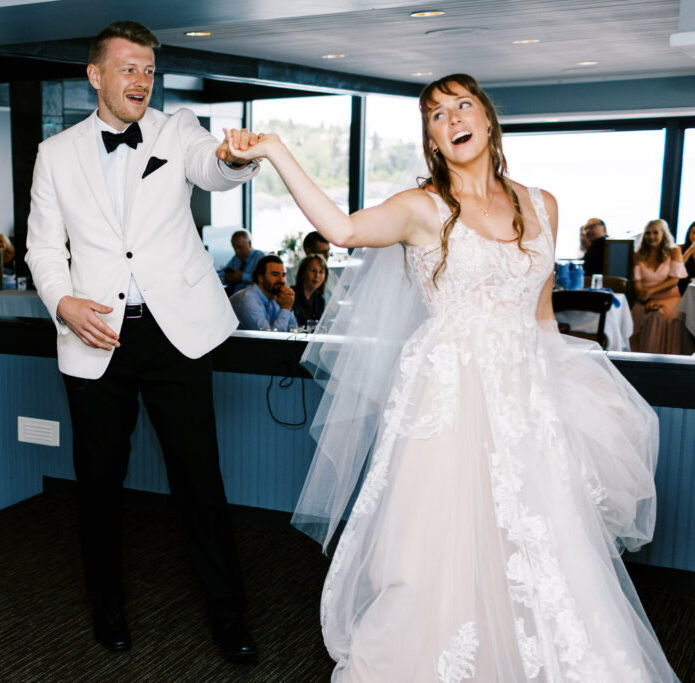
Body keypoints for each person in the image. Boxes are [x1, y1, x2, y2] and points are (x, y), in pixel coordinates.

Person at [225, 73, 677, 681]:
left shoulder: (542, 204)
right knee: (440, 549)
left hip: (524, 399)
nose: (453, 118)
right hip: (447, 397)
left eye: (463, 105)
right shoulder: (422, 208)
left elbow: (542, 318)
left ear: (487, 119)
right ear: (433, 140)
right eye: (437, 114)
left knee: (540, 547)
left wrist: (572, 399)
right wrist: (277, 149)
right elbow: (344, 231)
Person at [24, 21, 259, 660]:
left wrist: (236, 156)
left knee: (199, 482)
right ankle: (108, 609)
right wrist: (63, 302)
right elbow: (43, 246)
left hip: (174, 335)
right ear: (95, 75)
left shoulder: (175, 129)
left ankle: (229, 619)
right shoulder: (56, 152)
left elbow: (213, 168)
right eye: (128, 68)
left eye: (149, 70)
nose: (141, 80)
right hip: (93, 336)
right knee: (98, 484)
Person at [630, 219, 693, 355]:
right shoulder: (638, 255)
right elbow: (638, 284)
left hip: (669, 297)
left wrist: (651, 291)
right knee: (650, 315)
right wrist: (646, 298)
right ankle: (643, 360)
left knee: (665, 316)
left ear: (663, 234)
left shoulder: (674, 251)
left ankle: (668, 358)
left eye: (655, 233)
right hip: (645, 299)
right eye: (648, 233)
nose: (651, 236)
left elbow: (674, 280)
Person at [230, 254, 296, 331]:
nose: (281, 280)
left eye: (283, 275)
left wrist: (287, 307)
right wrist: (286, 308)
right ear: (260, 278)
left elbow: (293, 330)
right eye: (275, 274)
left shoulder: (276, 297)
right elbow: (269, 339)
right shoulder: (247, 299)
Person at [287, 231, 339, 300]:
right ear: (308, 251)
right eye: (322, 252)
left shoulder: (332, 275)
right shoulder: (292, 275)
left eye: (328, 251)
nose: (327, 255)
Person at [220, 229, 264, 296]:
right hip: (233, 296)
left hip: (251, 297)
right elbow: (221, 274)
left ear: (249, 244)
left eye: (240, 247)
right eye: (234, 248)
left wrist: (242, 277)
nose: (237, 251)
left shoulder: (259, 257)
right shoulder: (236, 258)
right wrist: (226, 277)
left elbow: (263, 280)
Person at [292, 254, 327, 328]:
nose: (317, 275)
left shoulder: (320, 300)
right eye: (313, 271)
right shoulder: (291, 295)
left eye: (321, 272)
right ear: (303, 273)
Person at [679, 220, 695, 296]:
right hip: (681, 288)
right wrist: (689, 251)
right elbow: (676, 268)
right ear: (689, 234)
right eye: (694, 233)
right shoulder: (679, 248)